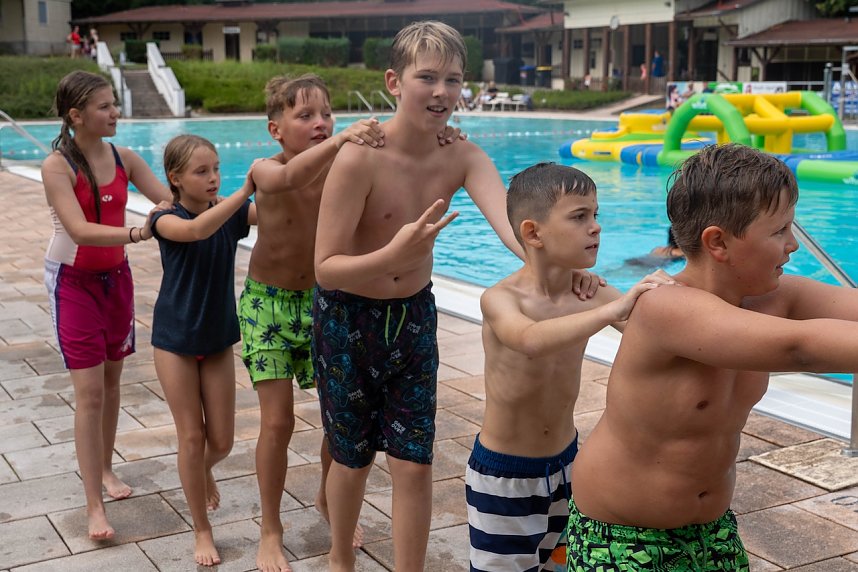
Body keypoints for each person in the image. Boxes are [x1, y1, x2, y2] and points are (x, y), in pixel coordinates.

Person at [313, 20, 599, 571]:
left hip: (415, 320)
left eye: (453, 79)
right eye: (427, 78)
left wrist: (574, 272)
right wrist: (392, 257)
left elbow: (522, 235)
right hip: (348, 319)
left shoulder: (461, 156)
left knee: (414, 463)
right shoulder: (360, 156)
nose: (442, 92)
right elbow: (326, 270)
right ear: (394, 82)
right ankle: (340, 559)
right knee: (352, 460)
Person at [567, 143, 858, 571]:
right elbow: (799, 347)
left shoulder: (775, 298)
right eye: (779, 231)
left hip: (713, 533)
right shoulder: (668, 307)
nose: (793, 245)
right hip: (624, 538)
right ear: (718, 242)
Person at [242, 72, 463, 572]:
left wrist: (440, 137)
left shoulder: (348, 164)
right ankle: (271, 528)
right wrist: (342, 140)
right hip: (272, 306)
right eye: (305, 116)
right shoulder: (266, 166)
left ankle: (328, 497)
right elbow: (289, 179)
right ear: (275, 129)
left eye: (327, 114)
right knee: (277, 421)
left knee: (340, 424)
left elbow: (397, 168)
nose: (320, 124)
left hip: (327, 305)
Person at [467, 163, 672, 572]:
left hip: (569, 465)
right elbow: (528, 339)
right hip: (506, 476)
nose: (595, 227)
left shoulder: (590, 293)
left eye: (596, 215)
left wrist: (670, 292)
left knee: (565, 565)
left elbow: (656, 331)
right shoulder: (502, 299)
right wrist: (613, 306)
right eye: (579, 217)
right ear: (533, 233)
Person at [41, 70, 172, 540]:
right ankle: (93, 504)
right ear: (77, 115)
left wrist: (183, 207)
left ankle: (107, 468)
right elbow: (78, 230)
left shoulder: (125, 157)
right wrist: (140, 230)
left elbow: (168, 200)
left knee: (114, 382)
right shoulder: (58, 166)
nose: (115, 112)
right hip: (73, 282)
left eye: (114, 103)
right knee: (90, 393)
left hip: (116, 280)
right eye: (104, 106)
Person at [150, 135, 257, 567]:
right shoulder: (165, 219)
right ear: (175, 179)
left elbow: (286, 209)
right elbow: (196, 231)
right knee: (191, 437)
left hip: (216, 341)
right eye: (201, 171)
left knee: (223, 442)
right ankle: (202, 529)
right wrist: (246, 190)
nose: (213, 178)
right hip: (174, 341)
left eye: (215, 168)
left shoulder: (229, 216)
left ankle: (201, 470)